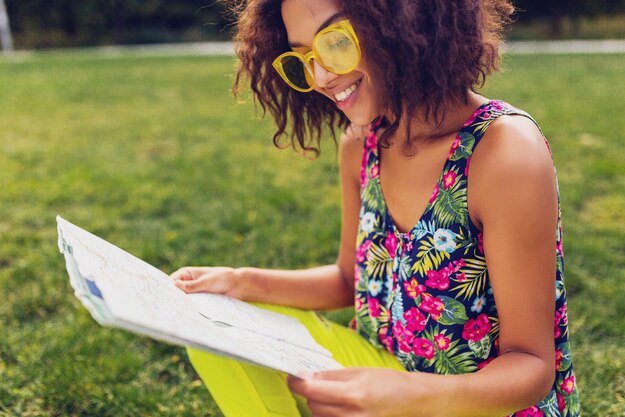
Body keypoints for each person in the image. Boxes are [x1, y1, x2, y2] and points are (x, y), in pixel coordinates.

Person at [170, 0, 580, 415]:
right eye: (303, 58)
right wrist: (239, 282)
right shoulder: (361, 143)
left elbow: (532, 365)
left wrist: (405, 397)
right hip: (384, 372)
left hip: (475, 402)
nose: (321, 76)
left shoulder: (503, 153)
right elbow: (350, 279)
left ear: (406, 23)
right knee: (218, 330)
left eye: (335, 42)